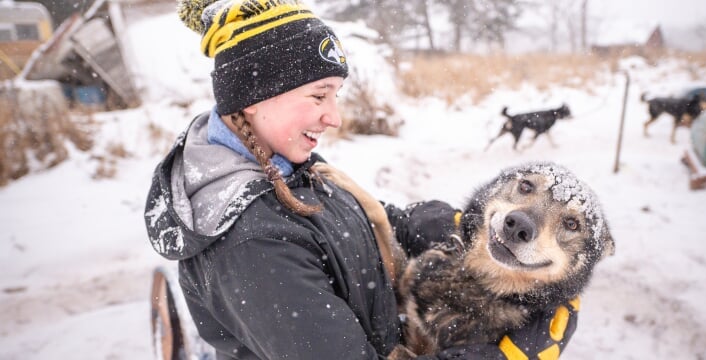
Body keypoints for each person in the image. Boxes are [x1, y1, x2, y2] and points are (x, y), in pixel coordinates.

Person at [144, 0, 578, 359]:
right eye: (318, 95)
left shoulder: (281, 163)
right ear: (254, 98)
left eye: (336, 94)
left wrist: (430, 223)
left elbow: (348, 226)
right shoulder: (252, 243)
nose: (333, 117)